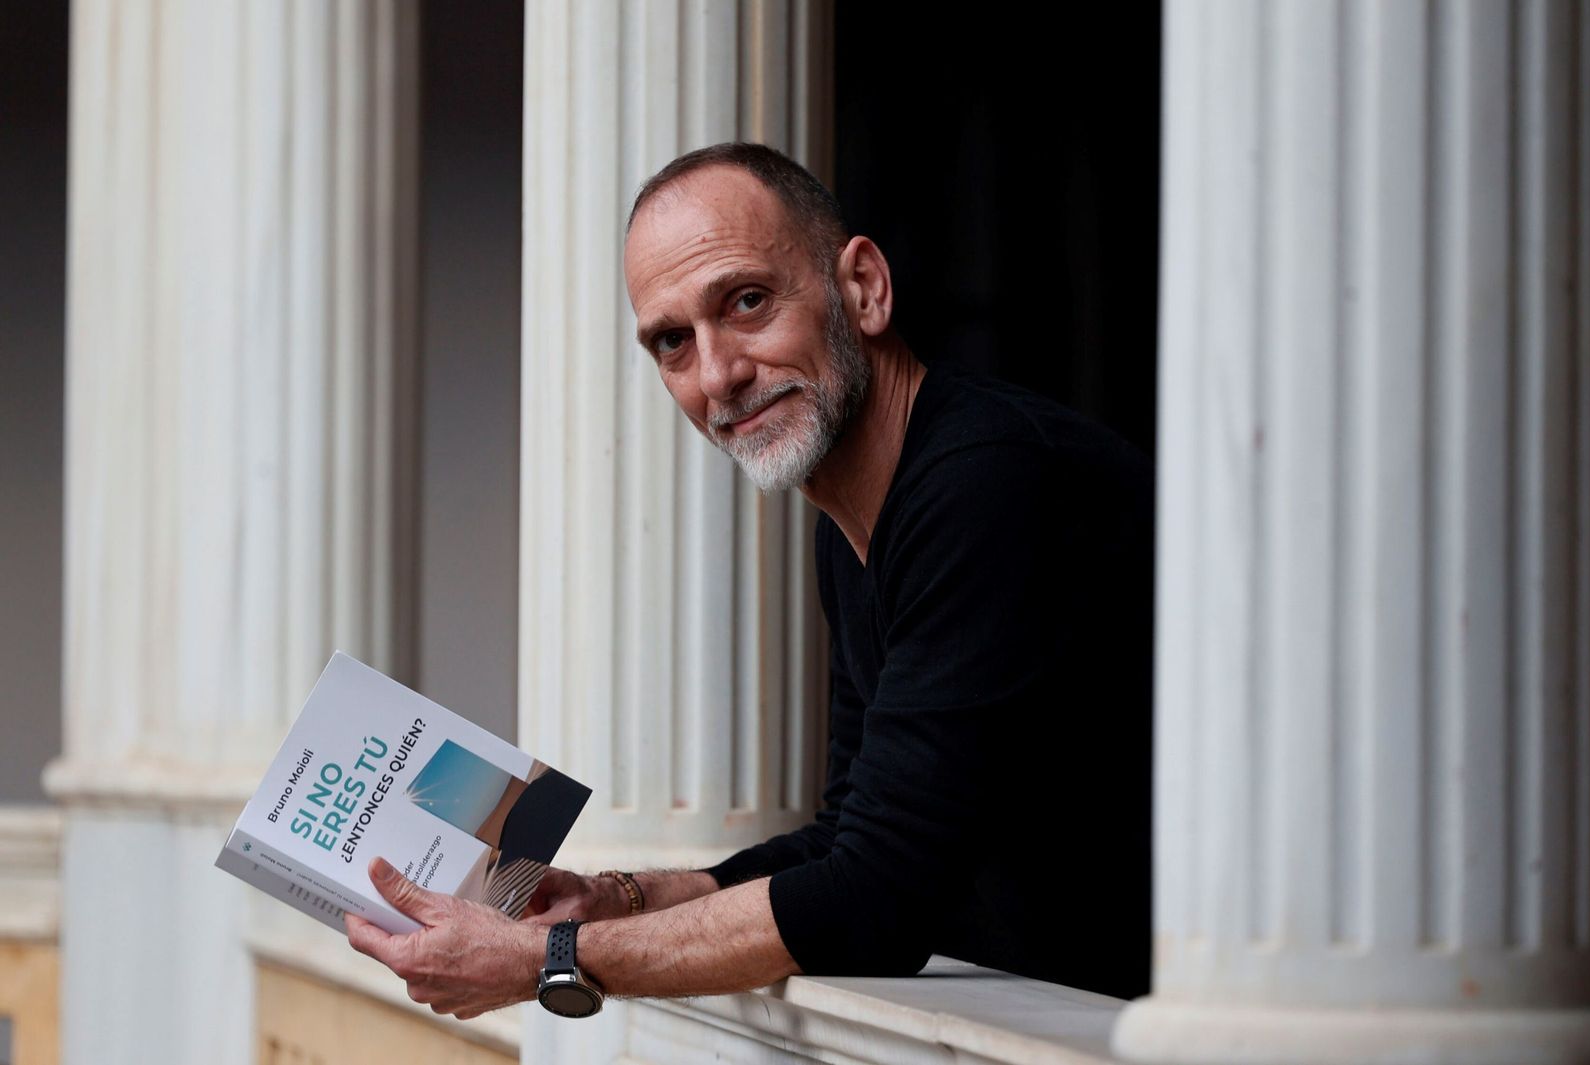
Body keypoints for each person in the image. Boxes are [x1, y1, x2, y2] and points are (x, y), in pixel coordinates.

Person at [344, 142, 1154, 1019]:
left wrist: (546, 956)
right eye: (672, 342)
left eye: (748, 302)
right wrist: (620, 898)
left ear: (864, 288)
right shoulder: (853, 524)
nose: (719, 374)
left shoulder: (985, 484)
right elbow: (848, 837)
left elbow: (875, 900)